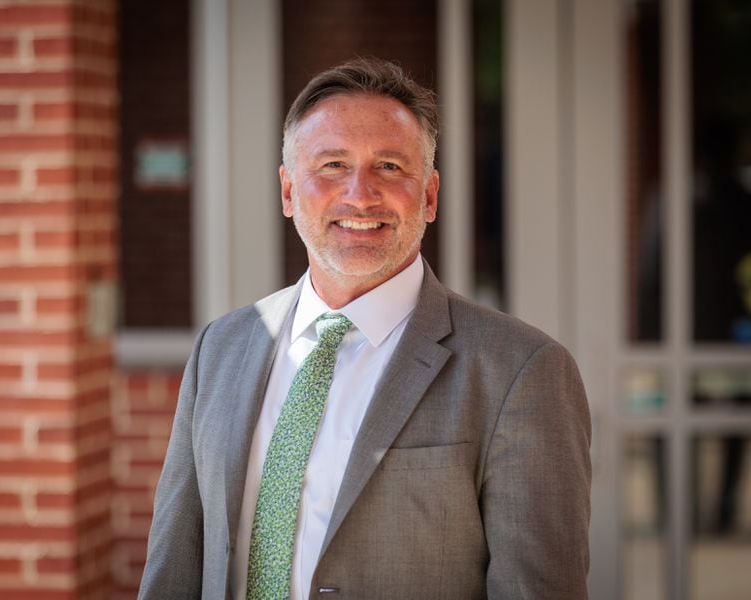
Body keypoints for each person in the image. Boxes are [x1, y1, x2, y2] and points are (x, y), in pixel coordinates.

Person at [138, 57, 591, 600]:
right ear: (287, 191)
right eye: (331, 165)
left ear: (428, 196)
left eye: (390, 167)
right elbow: (173, 568)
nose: (359, 194)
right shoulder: (222, 348)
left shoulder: (521, 371)